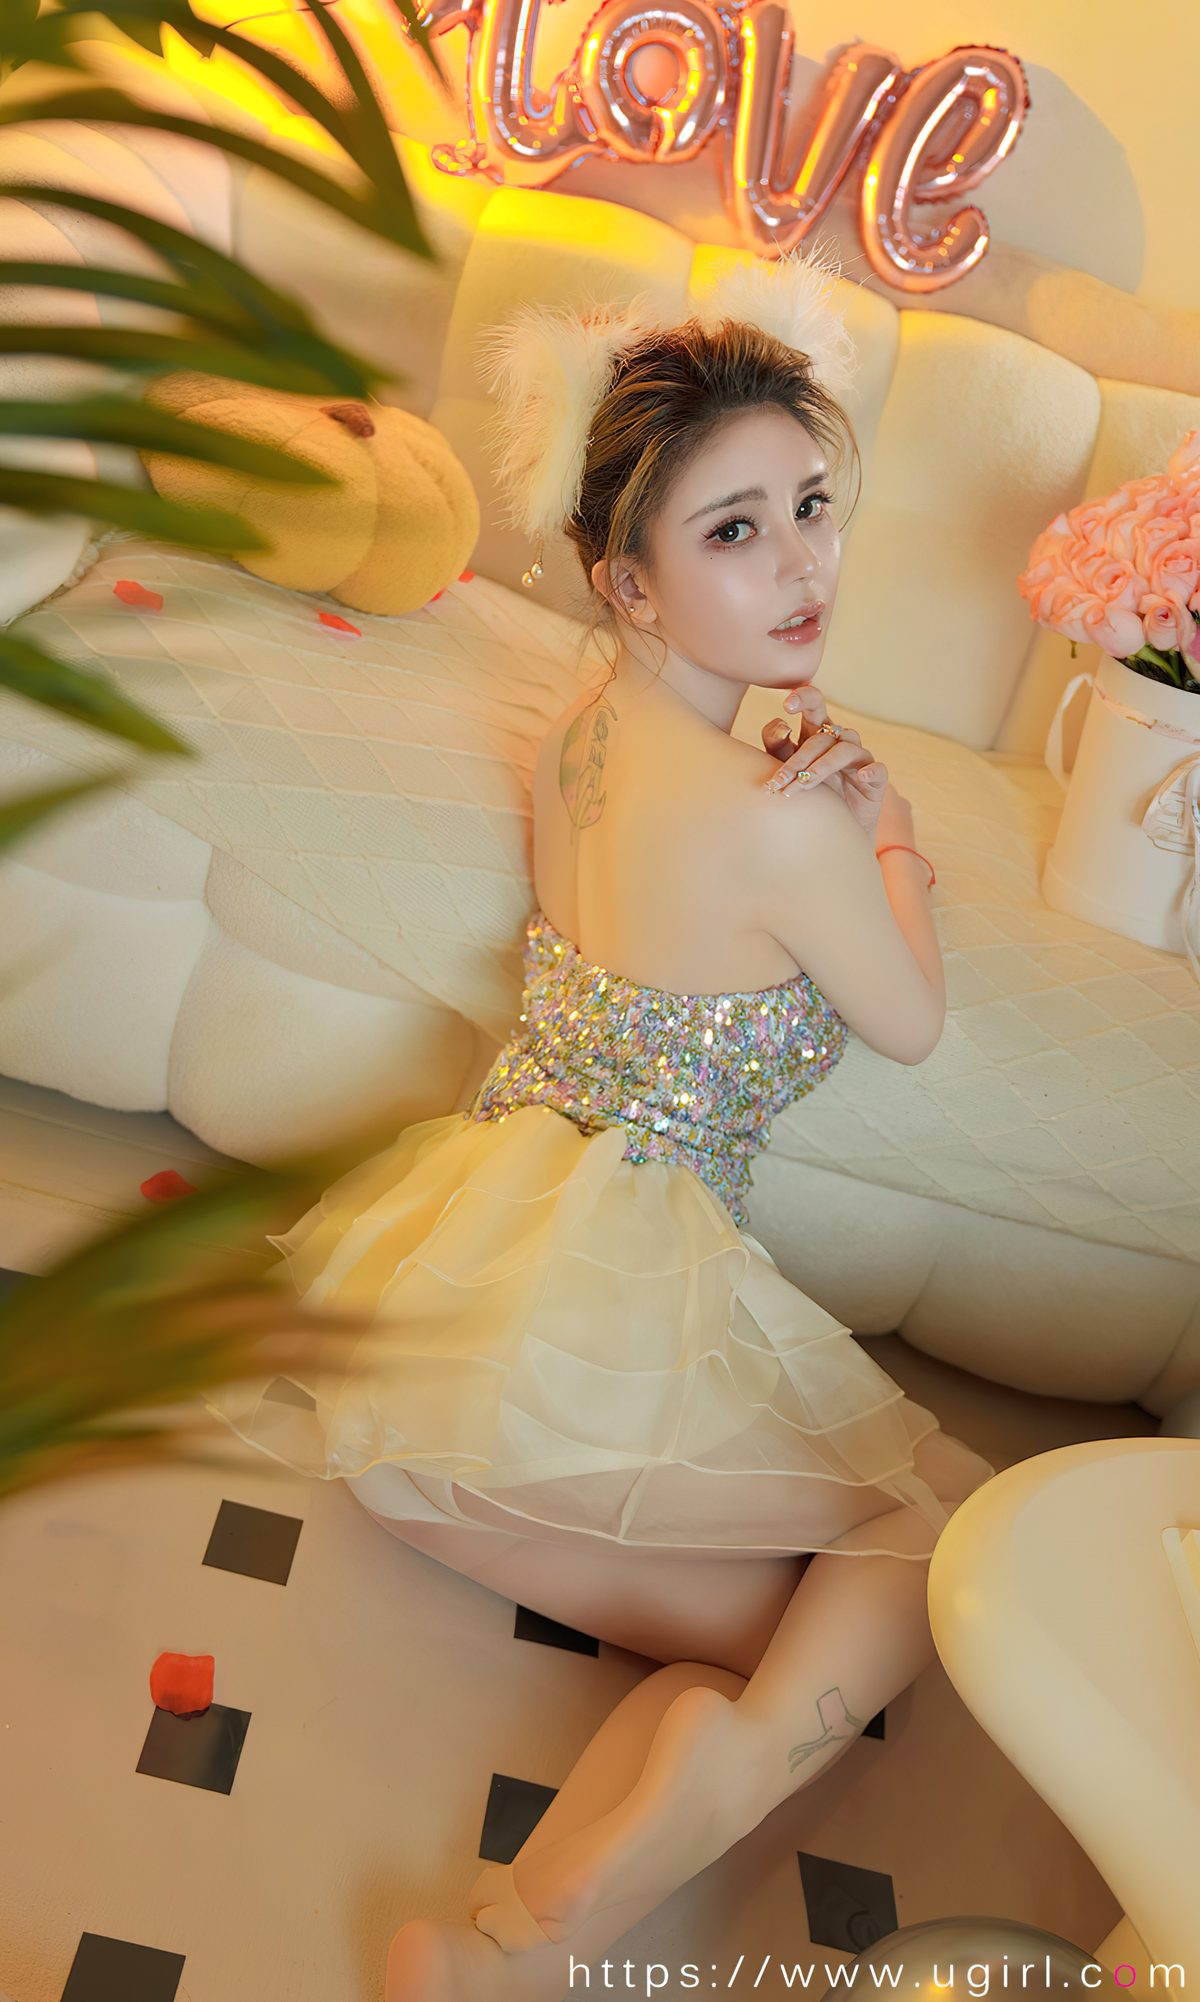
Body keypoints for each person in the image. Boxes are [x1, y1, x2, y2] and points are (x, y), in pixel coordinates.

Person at [204, 246, 996, 2002]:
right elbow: (913, 1016)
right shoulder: (787, 821)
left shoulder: (579, 731)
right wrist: (888, 827)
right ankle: (693, 1792)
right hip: (582, 1344)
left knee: (799, 1640)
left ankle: (515, 1940)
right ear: (628, 582)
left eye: (810, 506)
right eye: (735, 531)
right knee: (936, 1540)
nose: (802, 564)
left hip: (435, 1345)